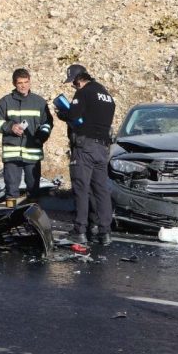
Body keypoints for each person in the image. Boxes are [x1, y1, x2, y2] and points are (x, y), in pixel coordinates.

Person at [54, 64, 116, 245]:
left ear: (79, 79)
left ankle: (79, 230)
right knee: (101, 190)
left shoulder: (84, 92)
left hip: (85, 146)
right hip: (102, 148)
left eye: (73, 83)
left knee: (81, 188)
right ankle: (105, 232)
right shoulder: (107, 96)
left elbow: (74, 114)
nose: (74, 86)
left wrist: (62, 113)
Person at [0, 68, 53, 207]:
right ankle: (9, 215)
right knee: (11, 191)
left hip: (32, 153)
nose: (23, 85)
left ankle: (32, 217)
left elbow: (47, 123)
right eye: (20, 83)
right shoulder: (4, 102)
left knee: (33, 191)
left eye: (26, 82)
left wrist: (42, 136)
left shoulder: (39, 102)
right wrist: (10, 127)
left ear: (30, 82)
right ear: (14, 83)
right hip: (12, 153)